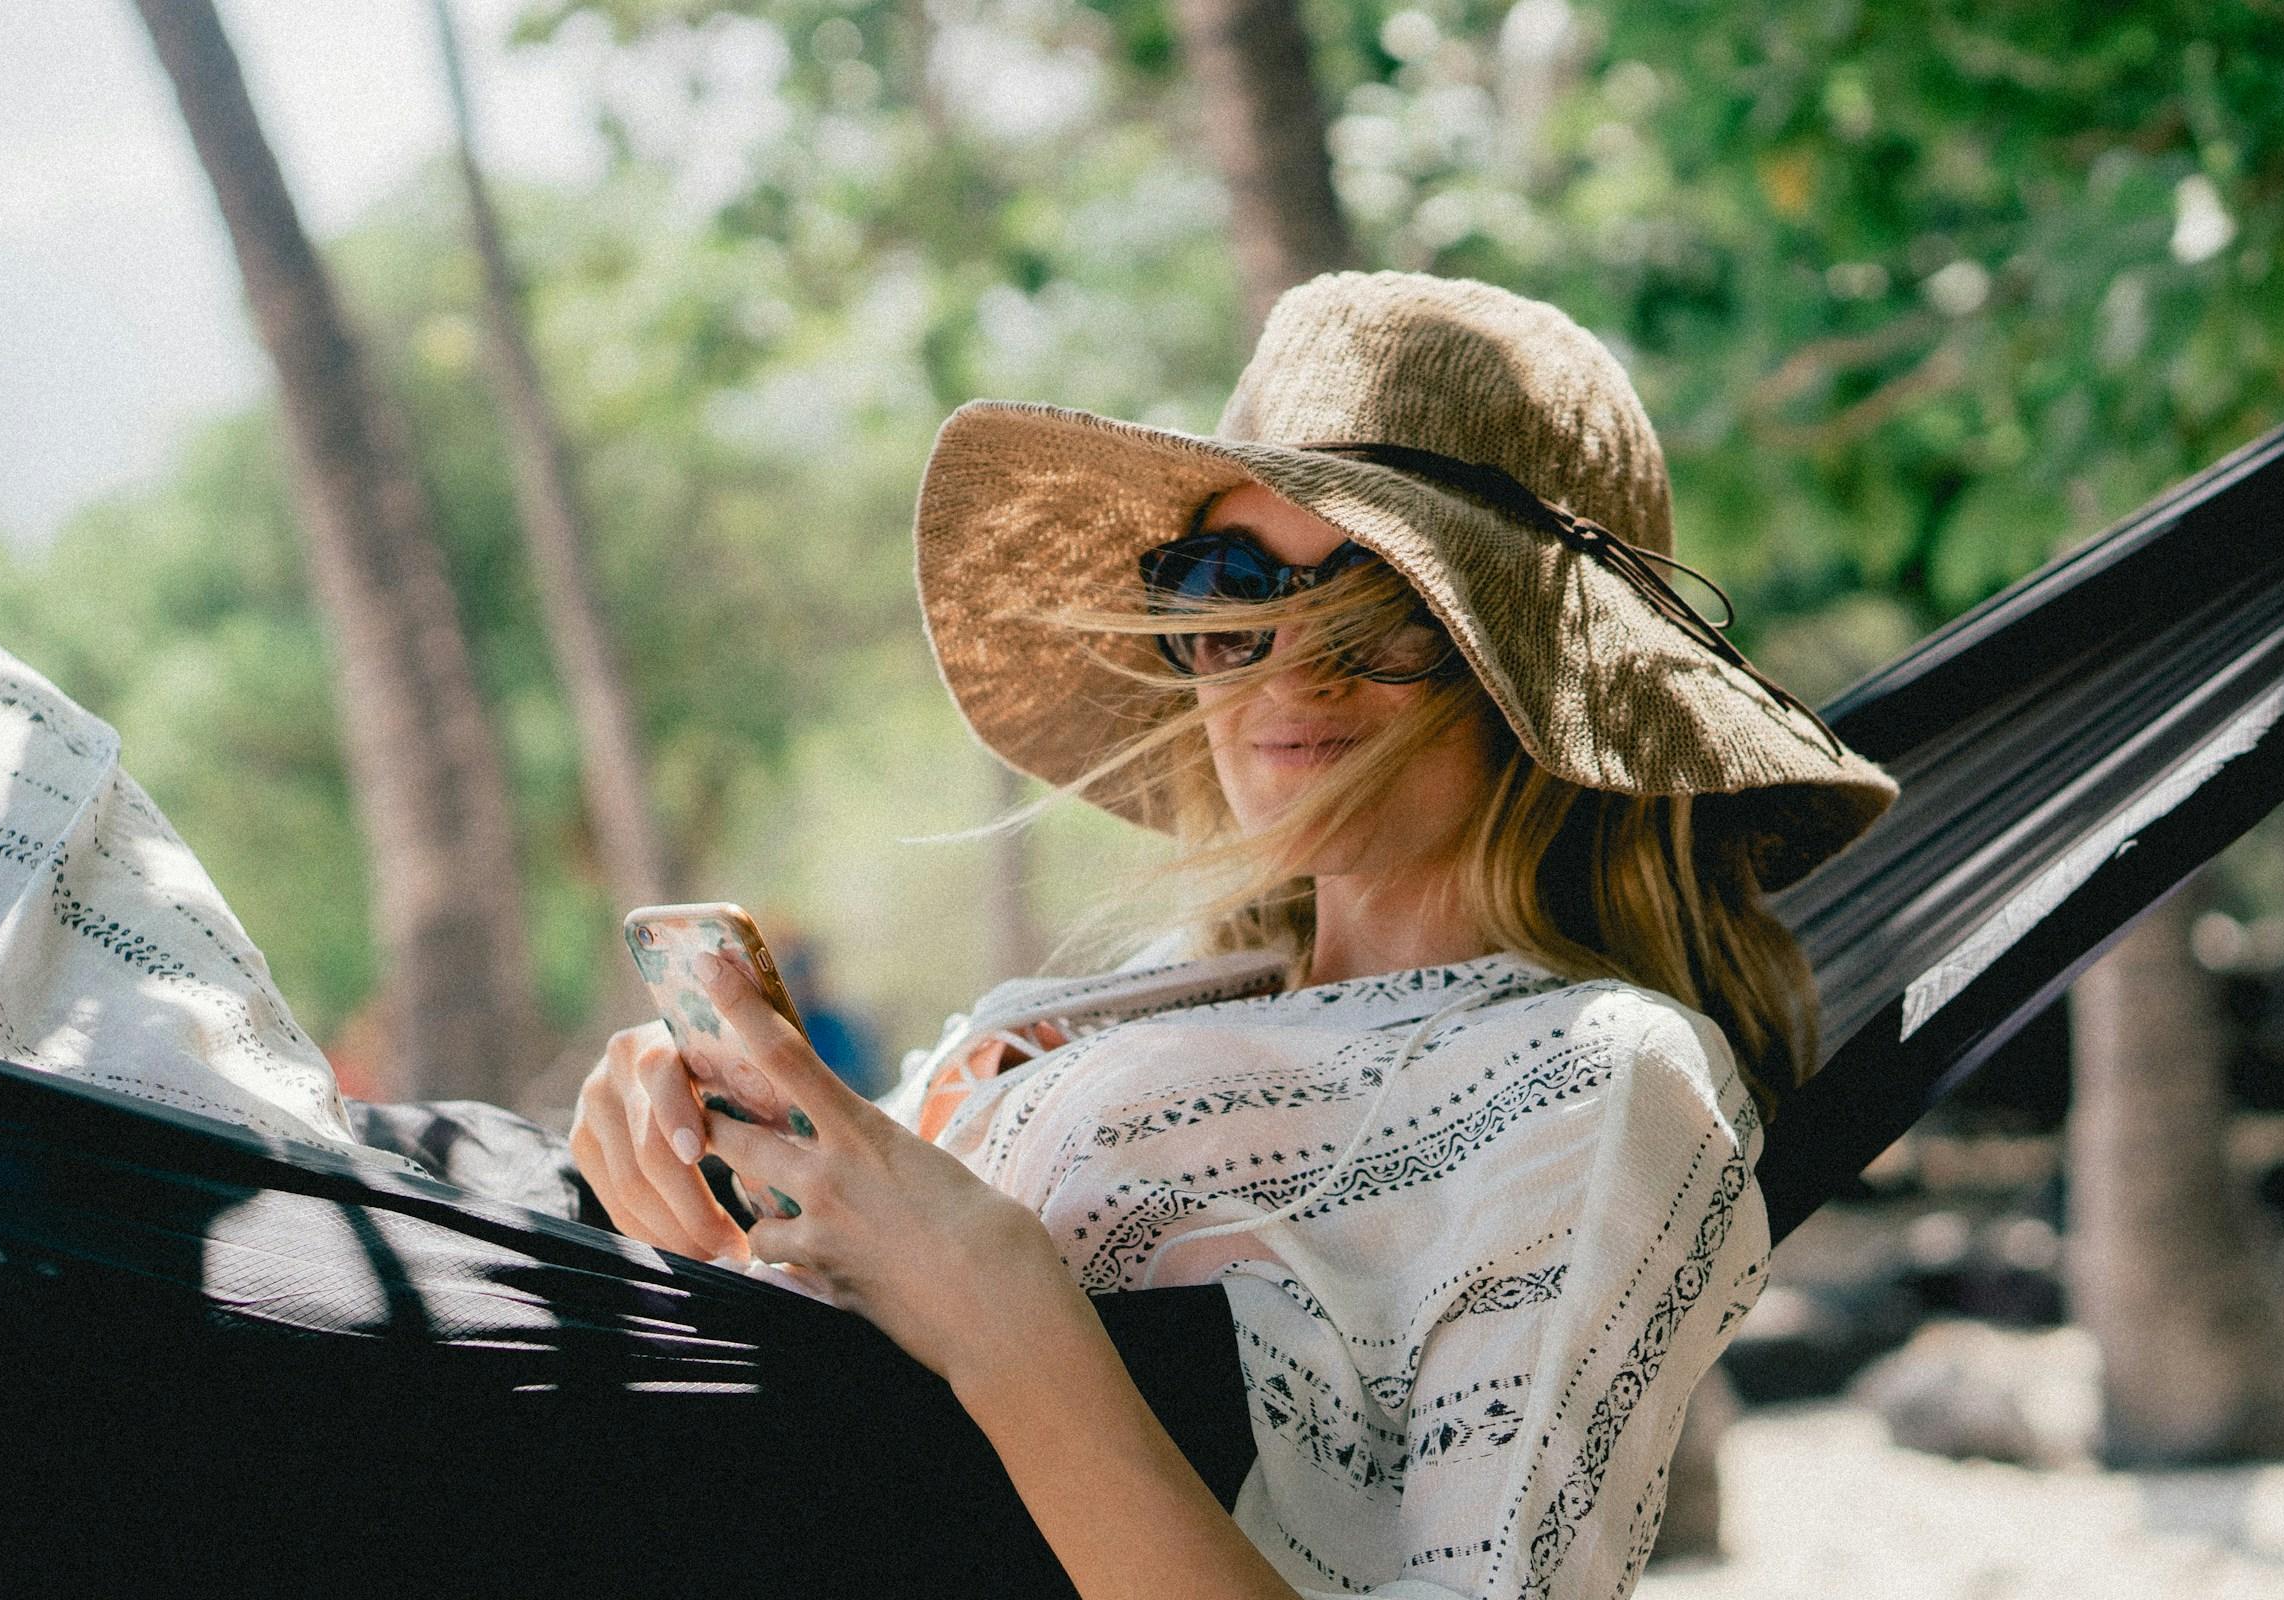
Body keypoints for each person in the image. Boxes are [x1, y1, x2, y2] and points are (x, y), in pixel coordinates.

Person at [570, 269, 1898, 1599]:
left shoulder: (1598, 1079)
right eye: (1231, 587)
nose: (1287, 668)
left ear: (1544, 680)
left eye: (1382, 611)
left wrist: (1007, 1321)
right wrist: (710, 1180)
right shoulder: (1163, 996)